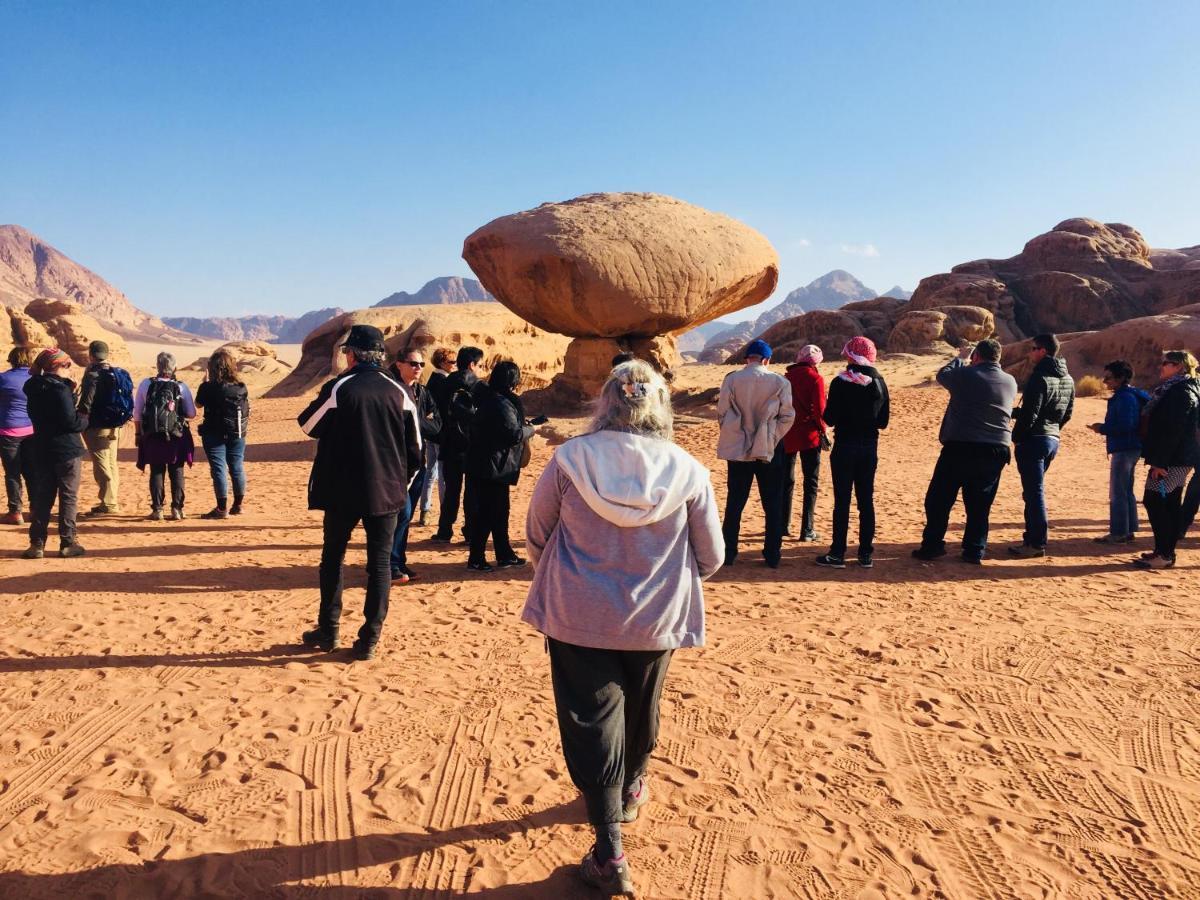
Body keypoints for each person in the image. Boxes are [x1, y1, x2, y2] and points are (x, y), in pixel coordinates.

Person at [521, 360, 723, 896]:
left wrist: (571, 572)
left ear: (606, 402)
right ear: (659, 405)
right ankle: (632, 787)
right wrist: (666, 576)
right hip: (657, 616)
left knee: (590, 718)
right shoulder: (688, 470)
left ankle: (609, 848)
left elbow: (538, 535)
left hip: (577, 614)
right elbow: (712, 556)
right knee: (643, 703)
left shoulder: (570, 459)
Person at [297, 325, 422, 661]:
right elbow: (417, 451)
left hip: (341, 491)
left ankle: (329, 628)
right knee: (380, 565)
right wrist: (401, 486)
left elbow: (308, 425)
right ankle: (369, 638)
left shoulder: (341, 388)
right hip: (386, 493)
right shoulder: (400, 392)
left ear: (352, 355)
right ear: (380, 355)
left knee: (332, 558)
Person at [913, 339, 1018, 564]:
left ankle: (932, 545)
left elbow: (943, 374)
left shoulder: (967, 375)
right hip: (996, 448)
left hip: (961, 446)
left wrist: (960, 357)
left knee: (939, 499)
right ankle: (974, 549)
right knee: (980, 503)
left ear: (977, 357)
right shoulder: (1010, 381)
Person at [716, 339, 795, 568]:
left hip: (738, 448)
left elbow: (722, 412)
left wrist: (734, 433)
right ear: (767, 360)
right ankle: (772, 554)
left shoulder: (731, 379)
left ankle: (728, 552)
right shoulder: (779, 381)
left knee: (735, 502)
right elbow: (787, 416)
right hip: (769, 449)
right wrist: (771, 437)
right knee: (772, 503)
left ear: (746, 359)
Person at [815, 337, 889, 569]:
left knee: (842, 501)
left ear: (851, 354)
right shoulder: (879, 382)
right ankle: (865, 554)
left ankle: (837, 553)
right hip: (869, 447)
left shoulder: (841, 381)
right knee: (866, 501)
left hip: (845, 446)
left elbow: (830, 418)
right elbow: (883, 422)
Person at [1008, 334, 1075, 557]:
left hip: (1034, 441)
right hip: (1051, 440)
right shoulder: (1068, 379)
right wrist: (1053, 430)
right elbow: (1067, 413)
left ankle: (1036, 543)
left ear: (1043, 351)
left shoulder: (1040, 376)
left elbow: (1031, 413)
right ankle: (1032, 539)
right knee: (1033, 491)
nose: (1030, 352)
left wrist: (1017, 436)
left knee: (1034, 492)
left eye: (1033, 348)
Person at [1133, 350, 1200, 569]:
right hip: (1179, 457)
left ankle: (1165, 553)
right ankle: (1164, 552)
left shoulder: (1180, 392)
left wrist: (1160, 462)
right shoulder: (1180, 389)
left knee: (1155, 500)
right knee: (1169, 502)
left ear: (1180, 367)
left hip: (1173, 459)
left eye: (1167, 363)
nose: (1162, 366)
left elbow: (1173, 430)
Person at [465, 361, 534, 572]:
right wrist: (531, 429)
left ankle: (504, 554)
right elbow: (512, 434)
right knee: (487, 513)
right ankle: (476, 559)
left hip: (491, 465)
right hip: (492, 467)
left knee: (498, 512)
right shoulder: (500, 402)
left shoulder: (490, 398)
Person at [21, 348, 86, 558]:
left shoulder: (32, 386)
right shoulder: (59, 390)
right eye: (67, 365)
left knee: (43, 498)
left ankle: (36, 544)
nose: (69, 370)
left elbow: (53, 407)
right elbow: (70, 421)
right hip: (66, 450)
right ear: (56, 366)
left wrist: (70, 390)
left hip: (41, 449)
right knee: (68, 497)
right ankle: (68, 542)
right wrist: (85, 419)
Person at [387, 348, 441, 582]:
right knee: (401, 514)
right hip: (395, 465)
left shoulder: (422, 392)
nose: (418, 368)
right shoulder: (390, 391)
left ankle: (398, 562)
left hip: (418, 464)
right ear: (399, 364)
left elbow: (437, 425)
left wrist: (414, 422)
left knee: (405, 517)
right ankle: (388, 565)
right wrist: (418, 422)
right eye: (413, 363)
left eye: (421, 364)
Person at [1087, 360, 1148, 543]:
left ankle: (1119, 532)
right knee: (1126, 489)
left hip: (1125, 448)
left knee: (1118, 492)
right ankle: (1128, 529)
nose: (1105, 382)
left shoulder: (1124, 397)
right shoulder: (1131, 395)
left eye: (1109, 378)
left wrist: (1102, 428)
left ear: (1121, 378)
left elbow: (1126, 425)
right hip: (1131, 447)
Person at [134, 352, 197, 521]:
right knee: (177, 470)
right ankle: (177, 509)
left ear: (157, 366)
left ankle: (158, 510)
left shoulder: (146, 384)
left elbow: (137, 413)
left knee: (156, 470)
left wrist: (138, 433)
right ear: (174, 367)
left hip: (153, 435)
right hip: (177, 435)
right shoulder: (181, 386)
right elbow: (191, 414)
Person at [431, 346, 484, 544]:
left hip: (449, 444)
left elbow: (436, 413)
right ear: (472, 364)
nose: (479, 369)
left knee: (451, 490)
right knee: (472, 492)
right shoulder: (479, 386)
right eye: (479, 365)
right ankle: (470, 532)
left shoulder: (444, 384)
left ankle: (444, 531)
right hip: (472, 446)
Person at [76, 340, 134, 518]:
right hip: (115, 425)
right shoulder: (117, 373)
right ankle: (110, 500)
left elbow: (86, 403)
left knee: (102, 465)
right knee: (110, 464)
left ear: (91, 355)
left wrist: (80, 420)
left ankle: (109, 504)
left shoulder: (93, 374)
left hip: (97, 426)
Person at [195, 348, 250, 519]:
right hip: (237, 432)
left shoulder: (208, 387)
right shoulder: (241, 387)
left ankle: (221, 509)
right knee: (237, 467)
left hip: (214, 434)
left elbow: (198, 405)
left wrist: (204, 382)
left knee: (219, 468)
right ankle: (238, 505)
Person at [780, 344, 827, 542]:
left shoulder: (785, 378)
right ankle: (807, 529)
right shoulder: (816, 378)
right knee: (811, 483)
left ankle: (783, 525)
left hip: (787, 434)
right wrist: (823, 430)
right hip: (810, 436)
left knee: (786, 481)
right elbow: (820, 410)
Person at [418, 347, 454, 526]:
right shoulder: (444, 382)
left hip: (431, 432)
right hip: (442, 432)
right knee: (442, 472)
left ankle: (424, 510)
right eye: (451, 362)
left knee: (430, 471)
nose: (454, 366)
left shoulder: (431, 379)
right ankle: (444, 513)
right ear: (442, 363)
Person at [0, 347, 36, 526]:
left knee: (12, 473)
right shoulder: (36, 379)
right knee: (31, 471)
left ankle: (15, 512)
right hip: (31, 430)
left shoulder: (3, 378)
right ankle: (36, 509)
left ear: (12, 359)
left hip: (8, 431)